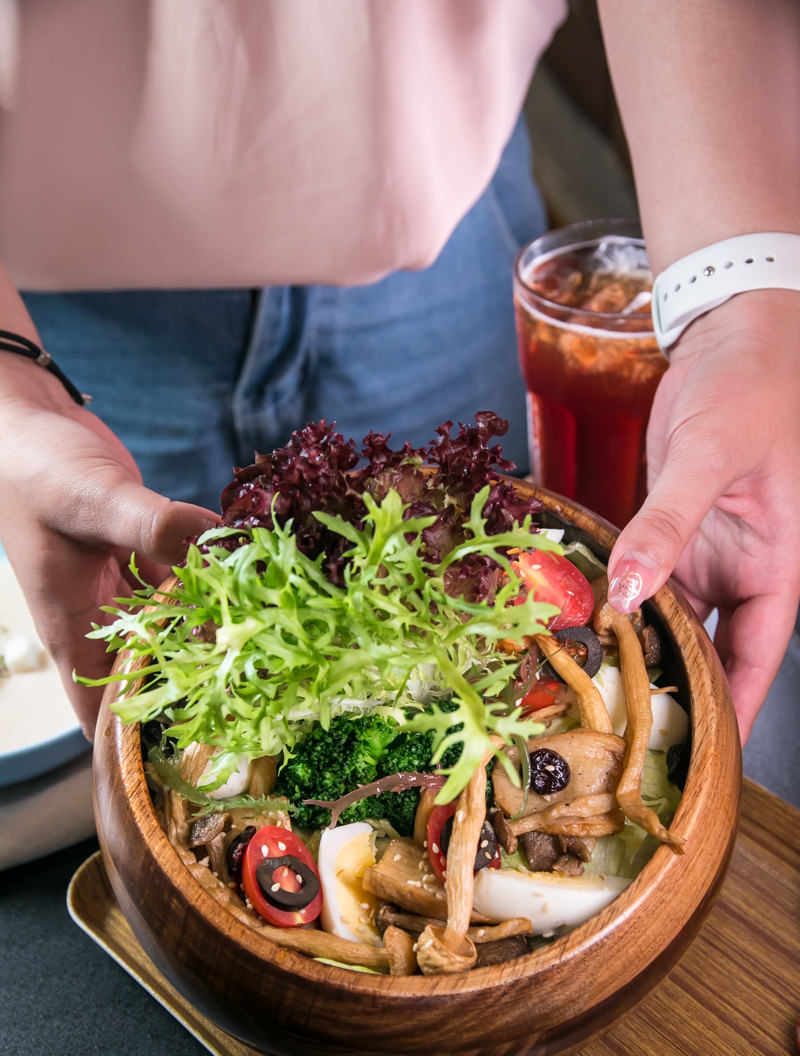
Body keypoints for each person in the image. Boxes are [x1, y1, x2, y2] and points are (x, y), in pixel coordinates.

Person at [0, 0, 797, 765]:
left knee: (501, 648)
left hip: (439, 222)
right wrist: (11, 385)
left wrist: (742, 308)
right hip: (68, 312)